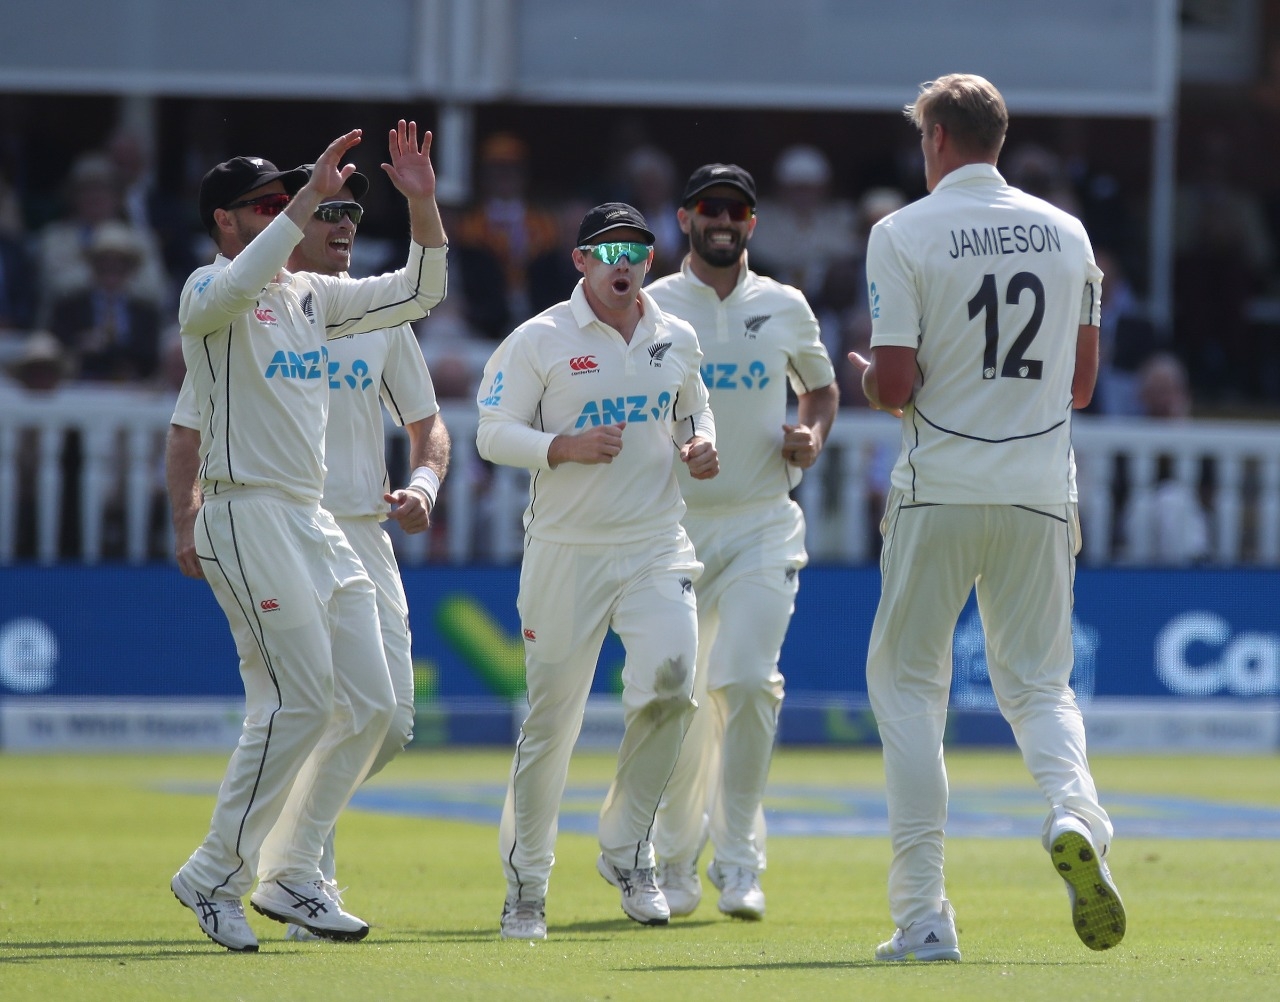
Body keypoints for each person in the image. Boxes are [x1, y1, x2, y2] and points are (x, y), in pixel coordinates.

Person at [848, 73, 1125, 962]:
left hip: (941, 489)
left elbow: (893, 387)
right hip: (1041, 490)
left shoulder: (902, 231)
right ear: (997, 138)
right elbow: (1082, 386)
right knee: (1041, 686)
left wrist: (866, 379)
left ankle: (925, 916)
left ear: (936, 139)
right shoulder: (1067, 230)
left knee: (910, 693)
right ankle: (1076, 813)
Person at [166, 122, 447, 953]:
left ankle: (291, 872)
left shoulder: (315, 302)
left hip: (316, 520)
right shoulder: (207, 292)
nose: (289, 211)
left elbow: (421, 290)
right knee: (298, 700)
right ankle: (212, 876)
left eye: (283, 199)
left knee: (373, 707)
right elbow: (245, 282)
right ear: (226, 219)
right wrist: (304, 200)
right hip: (245, 509)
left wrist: (423, 204)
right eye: (263, 202)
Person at [476, 202, 718, 941]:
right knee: (551, 722)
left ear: (651, 261)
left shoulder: (674, 333)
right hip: (565, 550)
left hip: (655, 542)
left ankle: (629, 852)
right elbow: (490, 433)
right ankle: (527, 888)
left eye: (638, 251)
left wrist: (701, 444)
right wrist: (561, 448)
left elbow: (693, 411)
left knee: (676, 685)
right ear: (581, 260)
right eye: (608, 250)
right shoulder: (539, 338)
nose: (625, 262)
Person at [645, 164, 838, 921]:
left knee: (751, 684)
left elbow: (819, 389)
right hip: (673, 527)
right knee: (676, 698)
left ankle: (739, 864)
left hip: (763, 519)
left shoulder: (784, 305)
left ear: (753, 224)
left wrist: (811, 436)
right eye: (710, 209)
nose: (724, 221)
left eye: (738, 211)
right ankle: (670, 860)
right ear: (686, 217)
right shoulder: (655, 304)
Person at [48, 220, 163, 382]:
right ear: (93, 266)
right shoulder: (69, 306)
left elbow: (151, 356)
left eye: (119, 264)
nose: (111, 268)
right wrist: (81, 344)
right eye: (104, 263)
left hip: (131, 388)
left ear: (129, 269)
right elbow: (55, 348)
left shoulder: (145, 312)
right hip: (80, 385)